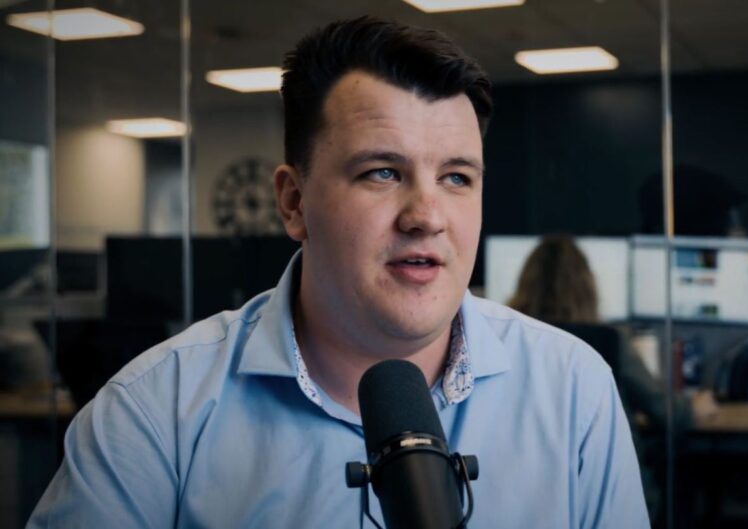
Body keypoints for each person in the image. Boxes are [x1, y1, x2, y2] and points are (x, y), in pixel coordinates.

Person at [28, 17, 648, 528]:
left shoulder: (572, 392)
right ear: (294, 203)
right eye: (382, 172)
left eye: (457, 177)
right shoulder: (154, 412)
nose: (427, 216)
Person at [508, 235, 718, 525]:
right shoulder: (608, 341)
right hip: (603, 499)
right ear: (586, 288)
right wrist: (694, 406)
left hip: (530, 500)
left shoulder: (508, 343)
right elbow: (664, 412)